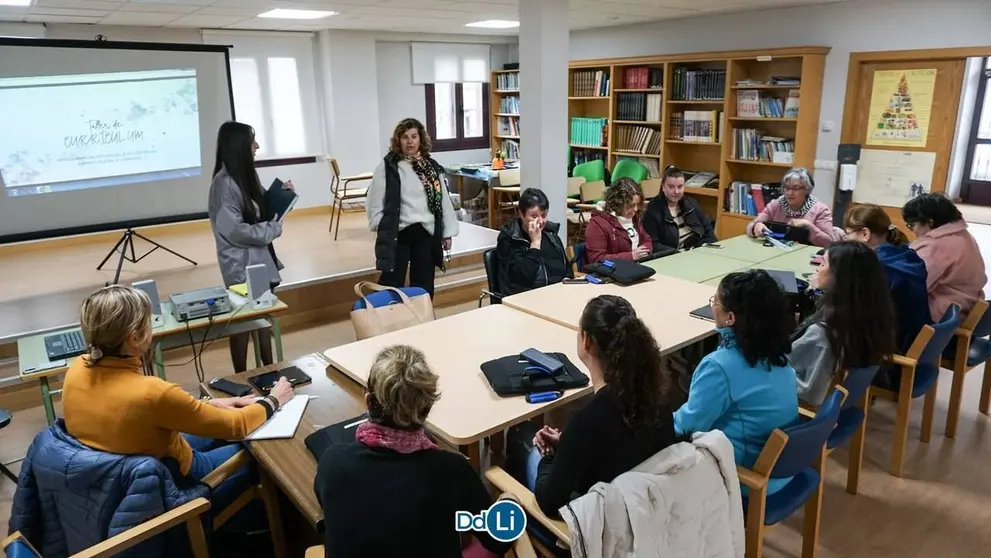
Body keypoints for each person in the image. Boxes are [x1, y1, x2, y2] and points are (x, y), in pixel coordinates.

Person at [61, 285, 295, 511]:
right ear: (134, 338)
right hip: (176, 476)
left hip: (127, 474)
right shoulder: (151, 392)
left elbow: (149, 414)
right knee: (266, 456)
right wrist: (274, 399)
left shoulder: (76, 369)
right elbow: (236, 426)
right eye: (148, 322)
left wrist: (209, 405)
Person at [314, 345, 514, 558]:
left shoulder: (332, 461)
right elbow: (498, 540)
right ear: (427, 408)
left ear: (369, 401)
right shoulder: (451, 471)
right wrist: (510, 503)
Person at [507, 295, 680, 518]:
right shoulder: (659, 400)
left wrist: (550, 456)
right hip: (646, 513)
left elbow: (549, 501)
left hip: (598, 528)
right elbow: (622, 448)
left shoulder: (586, 422)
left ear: (586, 341)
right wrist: (567, 444)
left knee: (522, 438)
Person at [674, 270, 798, 494]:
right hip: (784, 468)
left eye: (715, 302)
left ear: (730, 317)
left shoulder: (719, 366)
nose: (712, 306)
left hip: (744, 477)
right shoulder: (778, 356)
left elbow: (686, 427)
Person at [209, 121, 291, 373]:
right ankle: (242, 377)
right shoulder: (224, 185)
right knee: (243, 325)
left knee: (263, 320)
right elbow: (235, 231)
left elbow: (262, 206)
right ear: (239, 146)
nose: (257, 146)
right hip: (240, 266)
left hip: (259, 261)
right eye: (252, 142)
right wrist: (271, 229)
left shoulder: (246, 175)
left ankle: (270, 372)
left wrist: (283, 196)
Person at [791, 241, 897, 405]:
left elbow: (809, 393)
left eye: (823, 263)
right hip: (837, 397)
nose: (818, 267)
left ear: (839, 276)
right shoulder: (870, 314)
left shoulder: (823, 334)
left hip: (794, 404)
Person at [367, 118, 460, 298]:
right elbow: (374, 200)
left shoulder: (431, 167)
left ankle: (422, 319)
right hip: (399, 234)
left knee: (424, 285)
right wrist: (381, 224)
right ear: (398, 140)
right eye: (404, 137)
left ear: (420, 139)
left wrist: (447, 232)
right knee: (391, 283)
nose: (409, 141)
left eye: (414, 136)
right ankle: (388, 319)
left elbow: (443, 203)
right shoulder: (388, 167)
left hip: (425, 234)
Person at [844, 203, 931, 352]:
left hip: (890, 348)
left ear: (865, 234)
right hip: (911, 339)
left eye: (848, 234)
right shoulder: (905, 253)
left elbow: (856, 311)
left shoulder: (875, 266)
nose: (845, 239)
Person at [902, 193, 987, 320]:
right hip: (967, 304)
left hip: (944, 315)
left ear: (930, 222)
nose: (913, 231)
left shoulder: (936, 247)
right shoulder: (963, 235)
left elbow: (913, 288)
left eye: (912, 225)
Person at [496, 188, 572, 296]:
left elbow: (567, 270)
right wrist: (535, 243)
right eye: (534, 216)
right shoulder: (510, 239)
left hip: (557, 295)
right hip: (526, 298)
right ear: (521, 215)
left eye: (544, 215)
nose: (540, 221)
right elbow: (524, 276)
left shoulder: (551, 235)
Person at [747, 167, 839, 247]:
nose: (790, 193)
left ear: (807, 189)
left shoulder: (820, 210)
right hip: (777, 252)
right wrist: (756, 226)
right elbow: (750, 226)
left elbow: (829, 242)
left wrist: (809, 226)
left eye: (795, 188)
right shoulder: (776, 205)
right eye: (787, 188)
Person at [642, 165, 717, 251]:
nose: (676, 191)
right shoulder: (653, 210)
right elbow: (653, 244)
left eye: (680, 187)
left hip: (696, 251)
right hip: (672, 256)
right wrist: (678, 253)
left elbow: (709, 231)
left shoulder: (691, 203)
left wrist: (702, 249)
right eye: (671, 187)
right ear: (663, 187)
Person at [584, 178, 653, 263]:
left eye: (637, 204)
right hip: (612, 273)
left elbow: (647, 240)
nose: (635, 209)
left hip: (636, 267)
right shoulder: (597, 224)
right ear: (618, 203)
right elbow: (596, 259)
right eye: (631, 205)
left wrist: (645, 251)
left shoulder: (634, 217)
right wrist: (631, 256)